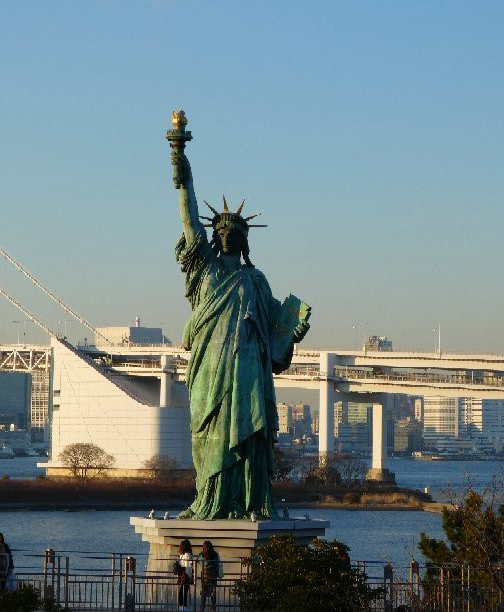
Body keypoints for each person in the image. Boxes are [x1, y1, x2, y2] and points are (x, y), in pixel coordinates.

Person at [170, 115, 310, 520]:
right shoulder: (205, 270)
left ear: (245, 238)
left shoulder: (256, 280)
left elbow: (273, 340)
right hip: (210, 368)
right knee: (210, 436)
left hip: (248, 368)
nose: (229, 230)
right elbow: (188, 210)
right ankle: (210, 499)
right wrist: (179, 154)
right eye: (222, 226)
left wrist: (293, 331)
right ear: (213, 234)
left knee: (249, 436)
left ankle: (249, 500)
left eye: (236, 228)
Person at [199, 541, 223, 612]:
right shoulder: (215, 554)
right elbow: (218, 563)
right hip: (213, 575)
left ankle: (202, 607)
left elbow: (200, 562)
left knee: (204, 591)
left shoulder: (201, 554)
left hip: (205, 575)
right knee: (213, 591)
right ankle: (213, 607)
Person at [175, 539, 194, 611]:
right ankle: (182, 607)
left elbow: (187, 566)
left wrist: (185, 576)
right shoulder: (185, 555)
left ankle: (183, 607)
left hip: (185, 576)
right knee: (183, 592)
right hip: (185, 575)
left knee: (182, 592)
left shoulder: (186, 555)